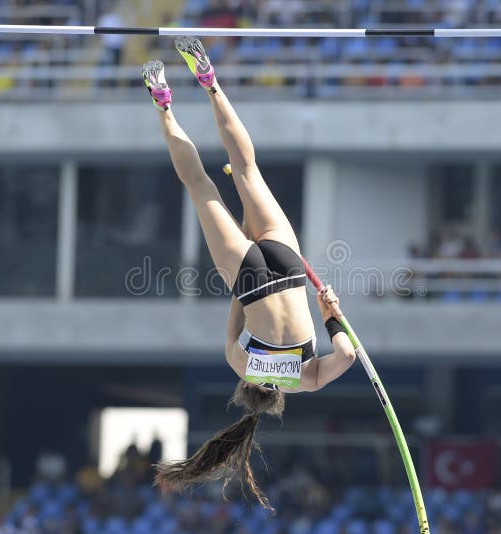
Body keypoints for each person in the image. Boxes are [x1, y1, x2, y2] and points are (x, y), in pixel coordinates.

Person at [140, 37, 357, 511]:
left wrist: (331, 313)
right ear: (247, 393)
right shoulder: (242, 365)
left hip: (289, 267)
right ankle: (164, 103)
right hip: (249, 278)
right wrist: (240, 258)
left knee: (247, 169)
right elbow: (236, 308)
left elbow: (348, 353)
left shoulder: (307, 379)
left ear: (278, 399)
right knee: (202, 185)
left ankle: (211, 82)